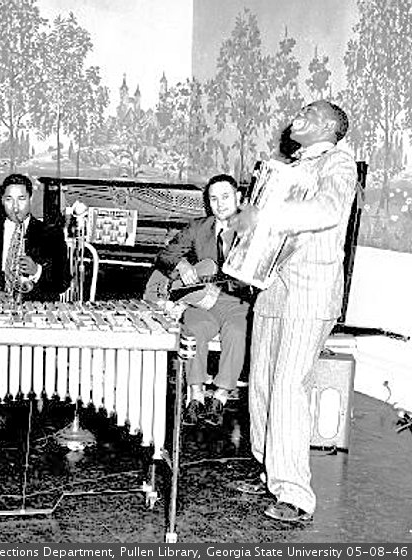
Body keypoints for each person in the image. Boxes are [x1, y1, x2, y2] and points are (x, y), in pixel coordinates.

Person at [228, 100, 358, 523]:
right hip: (274, 285)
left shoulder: (339, 163)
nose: (298, 115)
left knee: (288, 386)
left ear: (329, 127)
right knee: (262, 381)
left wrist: (264, 214)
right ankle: (268, 469)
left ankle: (295, 494)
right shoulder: (290, 165)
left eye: (310, 113)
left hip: (310, 291)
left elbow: (327, 211)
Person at [151, 174, 252, 427]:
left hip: (236, 303)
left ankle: (220, 397)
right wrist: (182, 265)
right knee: (193, 329)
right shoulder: (198, 227)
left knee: (237, 332)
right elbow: (165, 256)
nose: (220, 204)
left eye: (226, 197)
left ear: (238, 197)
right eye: (214, 198)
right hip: (203, 302)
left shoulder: (251, 229)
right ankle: (195, 396)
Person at [0, 174, 69, 304]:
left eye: (21, 199)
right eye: (9, 199)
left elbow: (63, 282)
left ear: (30, 199)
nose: (15, 207)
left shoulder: (52, 235)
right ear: (2, 201)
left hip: (37, 310)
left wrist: (37, 271)